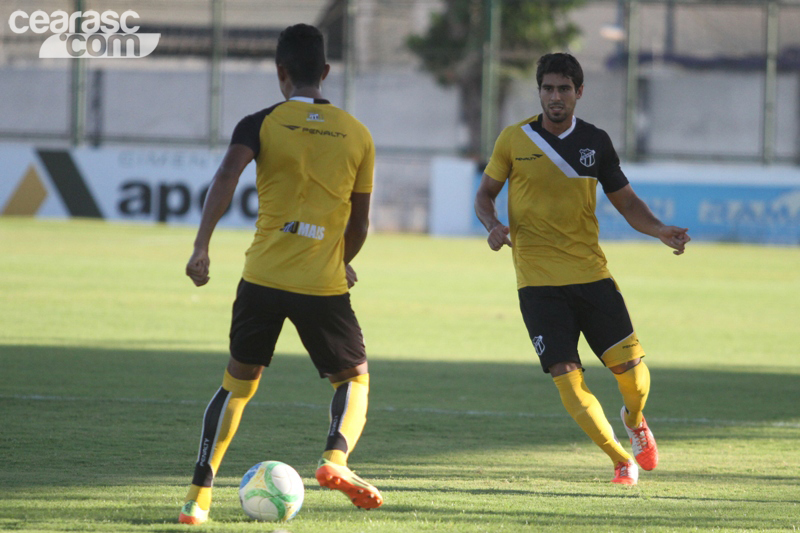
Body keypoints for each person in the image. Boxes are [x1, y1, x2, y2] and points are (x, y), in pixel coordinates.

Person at [179, 24, 383, 525]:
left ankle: (196, 499)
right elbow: (360, 223)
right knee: (352, 379)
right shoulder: (358, 134)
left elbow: (226, 177)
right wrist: (342, 259)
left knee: (238, 385)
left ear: (281, 73)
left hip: (263, 278)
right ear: (327, 72)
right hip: (321, 284)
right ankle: (335, 459)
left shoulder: (261, 122)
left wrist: (201, 245)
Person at [474, 53, 690, 486]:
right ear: (539, 92)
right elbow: (485, 195)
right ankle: (619, 459)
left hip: (591, 276)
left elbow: (626, 201)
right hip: (537, 284)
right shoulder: (513, 140)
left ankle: (634, 420)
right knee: (565, 376)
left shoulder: (596, 142)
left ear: (579, 92)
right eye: (548, 88)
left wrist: (659, 229)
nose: (555, 96)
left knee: (635, 381)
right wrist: (493, 224)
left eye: (564, 89)